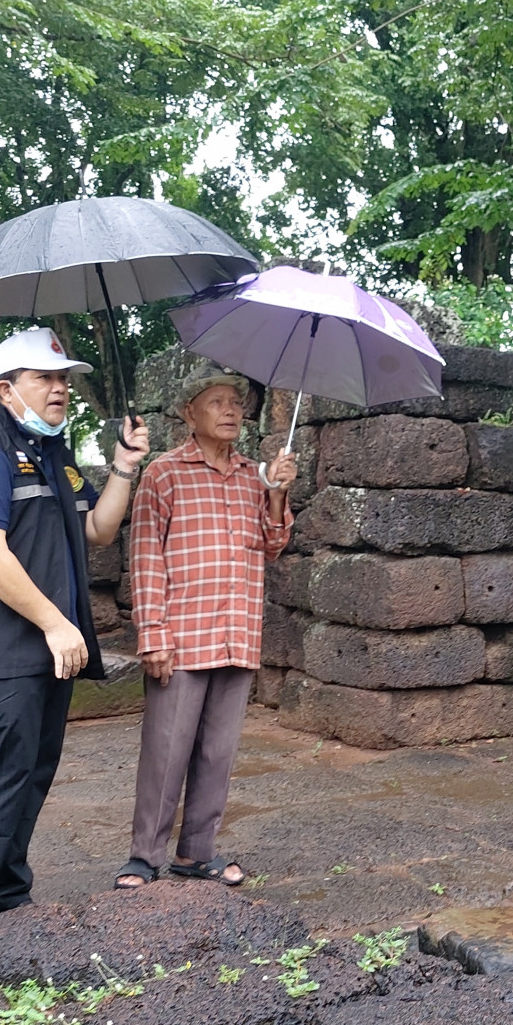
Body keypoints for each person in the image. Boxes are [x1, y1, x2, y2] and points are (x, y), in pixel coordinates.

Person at [0, 326, 151, 918]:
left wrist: (125, 468)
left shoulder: (53, 455)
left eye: (64, 379)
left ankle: (7, 899)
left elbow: (97, 531)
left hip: (48, 650)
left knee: (31, 773)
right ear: (6, 389)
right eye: (44, 379)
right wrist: (56, 622)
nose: (60, 390)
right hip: (0, 649)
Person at [115, 363, 297, 890]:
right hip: (181, 633)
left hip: (237, 630)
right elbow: (146, 555)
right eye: (217, 402)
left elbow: (273, 543)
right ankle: (144, 856)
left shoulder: (251, 475)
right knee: (166, 749)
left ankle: (196, 853)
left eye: (237, 403)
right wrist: (152, 634)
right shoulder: (164, 473)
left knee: (218, 751)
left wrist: (278, 492)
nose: (231, 411)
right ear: (188, 414)